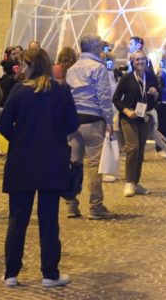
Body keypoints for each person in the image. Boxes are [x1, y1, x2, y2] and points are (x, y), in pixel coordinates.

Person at [0, 47, 78, 288]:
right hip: (51, 161)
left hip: (22, 161)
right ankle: (49, 273)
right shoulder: (61, 91)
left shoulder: (19, 91)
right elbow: (72, 123)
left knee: (18, 218)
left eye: (24, 64)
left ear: (32, 66)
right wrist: (53, 135)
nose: (21, 69)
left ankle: (11, 272)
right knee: (48, 220)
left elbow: (3, 125)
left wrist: (21, 138)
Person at [65, 35, 118, 220]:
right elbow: (104, 97)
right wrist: (109, 122)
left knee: (73, 163)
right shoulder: (98, 68)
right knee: (94, 165)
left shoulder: (72, 69)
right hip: (93, 121)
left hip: (74, 122)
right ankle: (96, 206)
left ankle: (71, 204)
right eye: (101, 46)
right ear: (94, 47)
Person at [112, 51, 159, 197]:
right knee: (133, 147)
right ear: (132, 62)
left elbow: (156, 99)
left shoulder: (151, 77)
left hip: (143, 117)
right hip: (129, 117)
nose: (140, 62)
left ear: (147, 61)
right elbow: (116, 98)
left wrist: (156, 94)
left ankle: (136, 183)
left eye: (143, 59)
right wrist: (126, 111)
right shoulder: (127, 78)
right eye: (137, 59)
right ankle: (128, 183)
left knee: (140, 151)